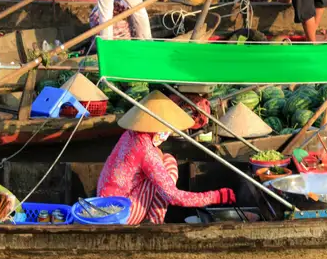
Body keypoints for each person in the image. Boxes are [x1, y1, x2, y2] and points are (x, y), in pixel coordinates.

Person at [97, 91, 236, 225]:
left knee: (167, 159)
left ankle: (153, 220)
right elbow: (174, 197)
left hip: (102, 203)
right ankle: (154, 223)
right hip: (120, 215)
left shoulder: (131, 134)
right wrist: (215, 196)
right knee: (166, 171)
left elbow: (156, 155)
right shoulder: (145, 150)